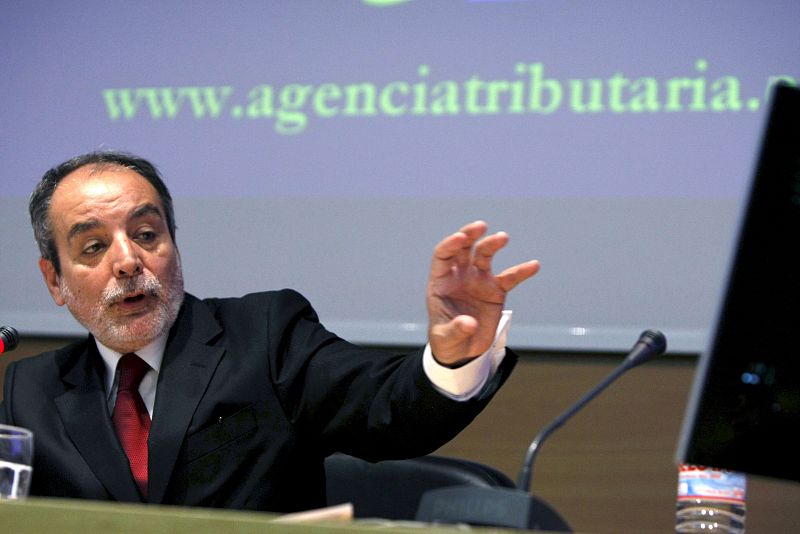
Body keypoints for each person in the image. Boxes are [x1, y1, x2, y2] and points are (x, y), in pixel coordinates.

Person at [0, 151, 540, 512]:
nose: (128, 261)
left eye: (146, 233)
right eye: (94, 246)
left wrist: (450, 357)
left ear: (174, 245)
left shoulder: (263, 335)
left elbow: (385, 408)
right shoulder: (30, 392)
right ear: (55, 280)